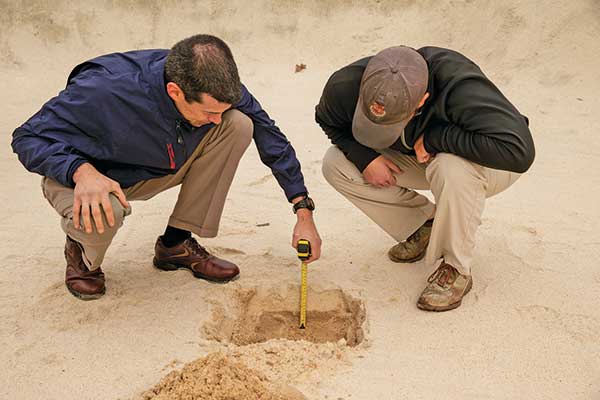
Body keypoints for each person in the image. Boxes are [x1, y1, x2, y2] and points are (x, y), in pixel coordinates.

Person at [12, 34, 321, 300]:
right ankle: (81, 256)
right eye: (209, 111)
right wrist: (81, 171)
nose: (216, 119)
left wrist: (302, 210)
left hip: (157, 163)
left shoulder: (217, 85)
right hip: (87, 179)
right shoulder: (102, 90)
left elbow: (270, 136)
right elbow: (26, 137)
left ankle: (175, 245)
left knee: (239, 124)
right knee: (108, 210)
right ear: (175, 91)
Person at [316, 46, 534, 311]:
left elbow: (519, 151)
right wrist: (365, 158)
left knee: (449, 166)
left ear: (422, 100)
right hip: (419, 159)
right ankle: (422, 227)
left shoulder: (460, 86)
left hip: (491, 161)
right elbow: (327, 120)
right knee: (336, 164)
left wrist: (436, 139)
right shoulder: (344, 84)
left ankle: (456, 269)